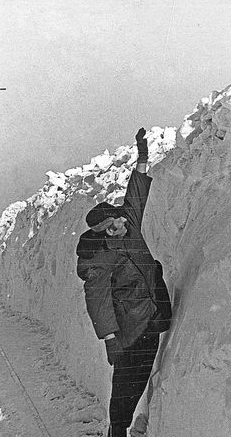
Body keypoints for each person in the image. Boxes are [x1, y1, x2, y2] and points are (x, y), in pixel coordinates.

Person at [76, 128, 172, 437]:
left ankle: (135, 423)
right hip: (130, 326)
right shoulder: (97, 258)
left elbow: (136, 195)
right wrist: (110, 338)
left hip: (153, 310)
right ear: (101, 230)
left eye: (119, 220)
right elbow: (97, 300)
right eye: (112, 225)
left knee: (143, 374)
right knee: (128, 381)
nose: (120, 225)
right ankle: (118, 429)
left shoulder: (128, 225)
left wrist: (142, 158)